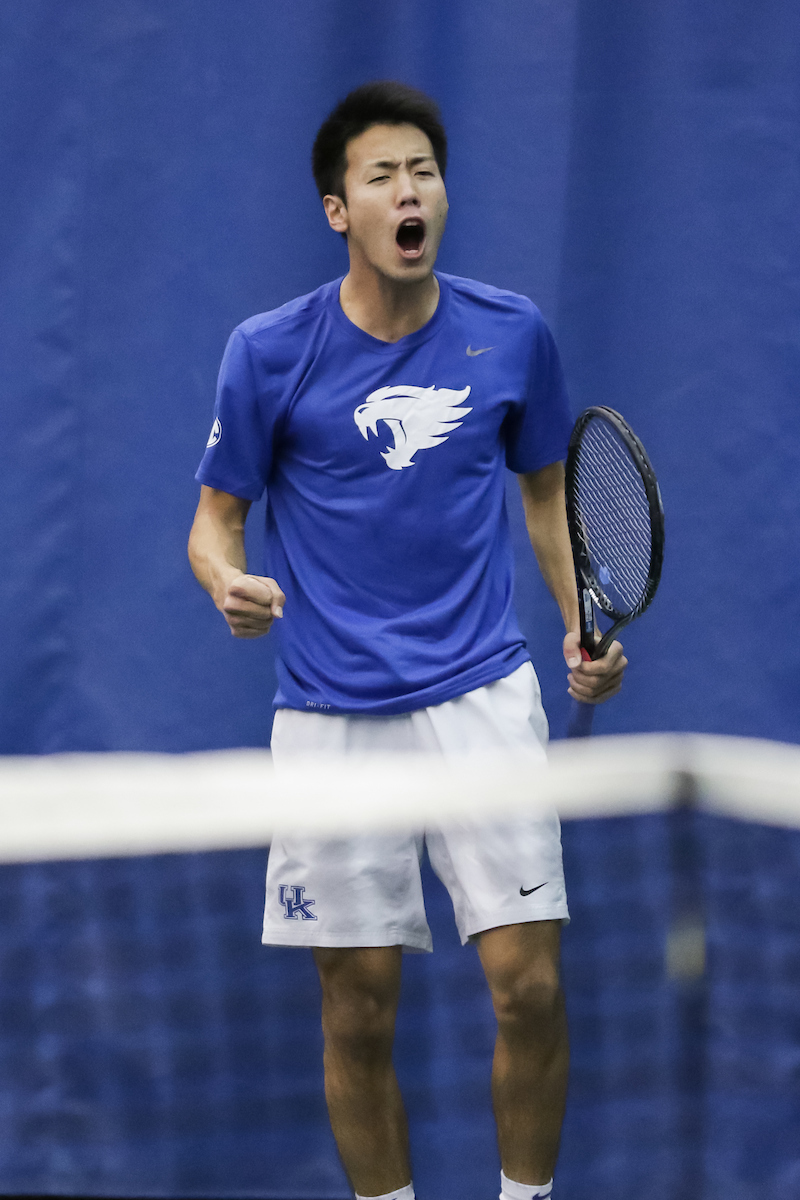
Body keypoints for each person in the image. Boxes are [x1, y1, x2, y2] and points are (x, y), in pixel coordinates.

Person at [188, 81, 626, 1200]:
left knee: (529, 987)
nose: (407, 191)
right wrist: (226, 581)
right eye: (380, 175)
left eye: (422, 171)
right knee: (357, 1007)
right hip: (330, 715)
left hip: (482, 696)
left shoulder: (510, 333)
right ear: (339, 211)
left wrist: (579, 620)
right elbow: (214, 522)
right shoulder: (267, 353)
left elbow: (544, 496)